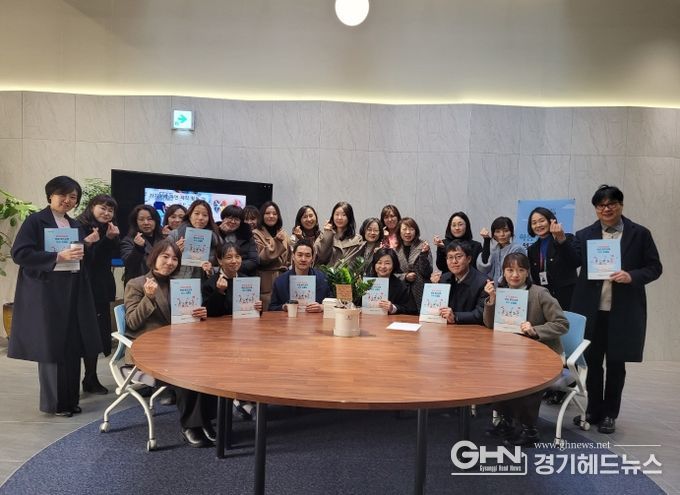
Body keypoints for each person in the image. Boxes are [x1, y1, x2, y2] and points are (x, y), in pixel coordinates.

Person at [571, 185, 662, 434]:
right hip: (592, 311)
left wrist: (631, 276)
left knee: (616, 364)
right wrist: (559, 241)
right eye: (601, 205)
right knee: (592, 362)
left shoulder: (640, 234)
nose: (606, 209)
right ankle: (593, 410)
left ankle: (610, 414)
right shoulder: (584, 234)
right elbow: (571, 261)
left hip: (623, 312)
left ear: (621, 205)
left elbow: (655, 267)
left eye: (611, 203)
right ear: (596, 209)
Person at [8, 176, 102, 417]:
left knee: (72, 345)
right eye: (63, 195)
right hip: (47, 293)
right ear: (50, 195)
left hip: (73, 291)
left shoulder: (75, 224)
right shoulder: (35, 221)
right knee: (51, 348)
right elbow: (20, 253)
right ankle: (56, 404)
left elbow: (78, 256)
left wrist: (86, 246)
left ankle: (70, 400)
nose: (67, 200)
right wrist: (57, 257)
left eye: (73, 197)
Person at [124, 239, 215, 448]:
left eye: (175, 258)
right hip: (148, 353)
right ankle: (190, 426)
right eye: (165, 256)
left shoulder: (180, 285)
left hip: (178, 347)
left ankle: (206, 420)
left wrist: (199, 314)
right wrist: (148, 298)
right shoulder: (136, 284)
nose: (170, 262)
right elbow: (132, 322)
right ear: (153, 257)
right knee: (187, 370)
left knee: (210, 363)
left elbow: (183, 321)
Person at [483, 253, 569, 446]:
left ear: (527, 272)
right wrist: (492, 299)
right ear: (503, 272)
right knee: (497, 371)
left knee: (525, 375)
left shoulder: (540, 293)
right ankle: (507, 421)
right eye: (510, 270)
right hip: (512, 353)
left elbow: (562, 324)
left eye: (520, 270)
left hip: (542, 354)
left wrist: (535, 330)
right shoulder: (502, 292)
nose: (515, 275)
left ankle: (530, 430)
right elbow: (489, 324)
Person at [76, 194, 121, 395]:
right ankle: (84, 378)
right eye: (103, 208)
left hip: (101, 288)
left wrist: (110, 238)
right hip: (84, 288)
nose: (107, 213)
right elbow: (87, 261)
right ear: (92, 207)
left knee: (97, 333)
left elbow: (111, 258)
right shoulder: (79, 226)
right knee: (85, 333)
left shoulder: (108, 229)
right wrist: (92, 242)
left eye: (110, 210)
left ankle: (91, 377)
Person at [525, 207, 580, 311]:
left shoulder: (566, 238)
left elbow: (575, 262)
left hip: (567, 297)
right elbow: (535, 276)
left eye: (542, 221)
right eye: (534, 223)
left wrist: (561, 240)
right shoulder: (532, 249)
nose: (538, 225)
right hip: (545, 297)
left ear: (551, 221)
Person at [203, 241, 263, 317]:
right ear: (220, 260)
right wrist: (219, 292)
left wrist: (259, 307)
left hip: (244, 322)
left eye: (237, 257)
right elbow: (210, 313)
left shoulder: (247, 281)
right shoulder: (209, 283)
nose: (234, 261)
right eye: (229, 257)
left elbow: (256, 312)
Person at [270, 239, 330, 312]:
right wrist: (284, 307)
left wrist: (322, 307)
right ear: (293, 256)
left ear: (312, 258)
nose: (303, 259)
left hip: (315, 318)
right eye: (299, 255)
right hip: (290, 318)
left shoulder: (322, 279)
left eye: (307, 256)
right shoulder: (280, 281)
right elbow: (271, 308)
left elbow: (333, 304)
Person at [167, 199, 222, 279]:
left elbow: (222, 266)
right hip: (178, 282)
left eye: (205, 215)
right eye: (196, 213)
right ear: (190, 215)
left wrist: (211, 270)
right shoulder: (175, 234)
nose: (200, 218)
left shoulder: (216, 239)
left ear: (209, 218)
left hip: (203, 283)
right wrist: (175, 251)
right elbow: (161, 261)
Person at [437, 241, 488, 325]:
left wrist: (455, 316)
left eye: (458, 256)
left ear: (468, 259)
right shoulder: (444, 279)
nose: (454, 261)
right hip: (447, 328)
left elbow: (481, 313)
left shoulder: (483, 282)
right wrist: (434, 287)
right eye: (450, 257)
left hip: (471, 330)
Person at [252, 201, 291, 310]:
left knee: (284, 312)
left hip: (283, 278)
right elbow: (261, 258)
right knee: (268, 311)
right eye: (267, 213)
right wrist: (277, 241)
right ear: (262, 215)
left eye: (274, 213)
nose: (271, 216)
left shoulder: (283, 233)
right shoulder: (256, 234)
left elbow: (289, 257)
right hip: (266, 280)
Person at [394, 217, 432, 310]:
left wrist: (423, 254)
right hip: (402, 292)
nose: (408, 232)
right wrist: (405, 276)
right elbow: (393, 274)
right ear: (399, 231)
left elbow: (427, 272)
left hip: (421, 290)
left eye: (411, 229)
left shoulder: (423, 246)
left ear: (416, 231)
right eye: (404, 229)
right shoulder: (395, 250)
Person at [120, 205, 163, 285]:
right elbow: (129, 264)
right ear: (135, 222)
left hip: (161, 284)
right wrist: (138, 248)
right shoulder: (128, 240)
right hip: (138, 286)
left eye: (150, 219)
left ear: (156, 221)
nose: (146, 223)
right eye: (141, 219)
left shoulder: (163, 239)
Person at [477, 216, 526, 285]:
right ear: (493, 234)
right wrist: (486, 240)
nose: (502, 234)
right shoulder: (493, 249)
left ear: (511, 232)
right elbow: (483, 269)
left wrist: (499, 286)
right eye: (498, 231)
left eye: (506, 231)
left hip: (511, 287)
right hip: (492, 288)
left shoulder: (517, 249)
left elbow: (516, 271)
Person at [366, 248, 415, 315]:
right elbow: (355, 304)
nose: (383, 266)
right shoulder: (365, 283)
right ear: (374, 264)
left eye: (387, 263)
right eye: (379, 263)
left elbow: (412, 309)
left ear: (394, 265)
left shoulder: (401, 286)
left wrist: (393, 308)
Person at [314, 201, 364, 267]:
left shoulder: (356, 239)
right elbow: (319, 257)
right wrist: (328, 234)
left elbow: (352, 263)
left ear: (349, 217)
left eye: (344, 215)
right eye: (337, 214)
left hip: (345, 273)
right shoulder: (324, 234)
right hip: (323, 273)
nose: (339, 218)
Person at [218, 205, 259, 276]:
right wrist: (221, 233)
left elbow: (254, 260)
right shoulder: (215, 233)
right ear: (223, 219)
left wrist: (233, 267)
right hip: (219, 275)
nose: (233, 221)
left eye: (236, 219)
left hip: (243, 276)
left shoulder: (247, 235)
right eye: (230, 218)